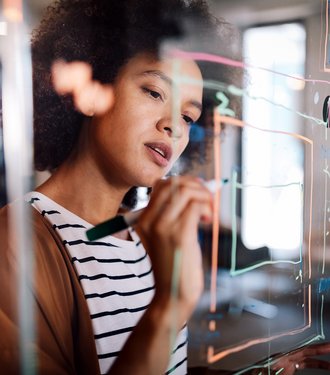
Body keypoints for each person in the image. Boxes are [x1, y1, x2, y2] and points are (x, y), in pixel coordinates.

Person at [0, 0, 232, 374]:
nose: (174, 126)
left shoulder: (149, 238)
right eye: (155, 93)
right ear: (91, 91)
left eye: (189, 117)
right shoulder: (11, 246)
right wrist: (169, 307)